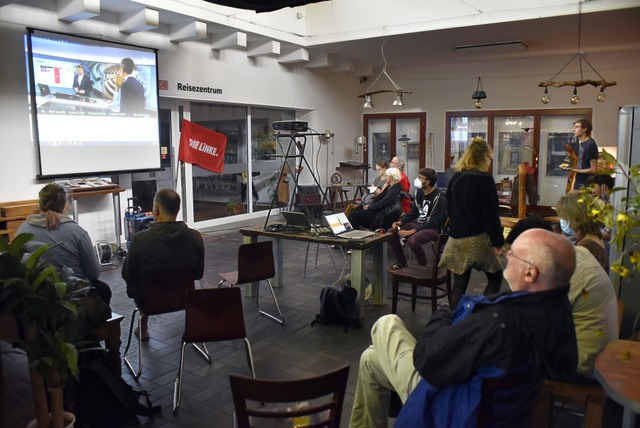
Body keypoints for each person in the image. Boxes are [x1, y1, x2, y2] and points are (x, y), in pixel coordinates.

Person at [349, 229, 578, 428]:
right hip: (486, 406)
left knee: (387, 323)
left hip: (448, 403)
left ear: (530, 273)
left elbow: (427, 358)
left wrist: (441, 316)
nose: (506, 256)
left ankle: (399, 399)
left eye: (513, 254)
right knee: (371, 360)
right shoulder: (558, 314)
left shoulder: (498, 323)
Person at [505, 215, 618, 382]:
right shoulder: (575, 254)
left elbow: (534, 320)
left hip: (584, 366)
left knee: (502, 358)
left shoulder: (559, 270)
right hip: (595, 352)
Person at [122, 188, 204, 341]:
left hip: (149, 302)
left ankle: (143, 328)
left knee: (143, 283)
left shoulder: (140, 240)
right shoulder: (195, 237)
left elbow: (128, 275)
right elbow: (198, 274)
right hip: (184, 299)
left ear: (156, 209)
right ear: (178, 209)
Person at [16, 183, 111, 304]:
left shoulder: (22, 230)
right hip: (74, 295)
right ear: (64, 205)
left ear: (40, 202)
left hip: (37, 296)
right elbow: (94, 273)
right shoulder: (77, 232)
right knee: (104, 290)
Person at [439, 136, 504, 309]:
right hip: (477, 240)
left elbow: (449, 210)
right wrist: (498, 242)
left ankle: (457, 321)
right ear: (484, 158)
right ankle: (482, 316)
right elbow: (490, 215)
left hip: (456, 240)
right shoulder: (485, 180)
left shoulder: (456, 179)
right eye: (489, 158)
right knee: (496, 278)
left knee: (459, 284)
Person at [387, 167, 448, 271]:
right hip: (418, 224)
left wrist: (412, 231)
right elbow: (413, 213)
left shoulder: (440, 198)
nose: (417, 179)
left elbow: (433, 222)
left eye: (420, 178)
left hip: (433, 228)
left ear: (427, 182)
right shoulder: (419, 192)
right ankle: (402, 262)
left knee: (413, 240)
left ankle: (422, 268)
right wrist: (401, 222)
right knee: (391, 232)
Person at [556, 192, 608, 271]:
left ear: (575, 218)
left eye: (566, 218)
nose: (567, 223)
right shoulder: (595, 237)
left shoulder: (587, 246)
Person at [566, 118, 598, 190]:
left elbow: (594, 169)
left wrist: (573, 170)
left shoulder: (590, 144)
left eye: (576, 127)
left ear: (585, 129)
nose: (573, 130)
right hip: (579, 181)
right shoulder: (583, 143)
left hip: (585, 184)